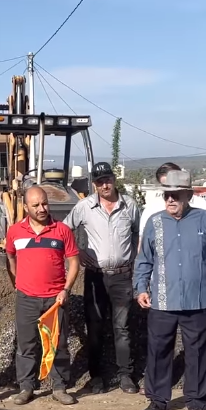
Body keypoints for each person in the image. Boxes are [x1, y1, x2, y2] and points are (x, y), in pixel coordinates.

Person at [134, 167, 206, 410]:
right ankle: (157, 400)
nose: (170, 200)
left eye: (176, 195)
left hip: (196, 300)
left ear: (188, 194)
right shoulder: (155, 223)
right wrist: (140, 288)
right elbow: (144, 259)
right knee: (158, 350)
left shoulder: (204, 220)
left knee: (197, 352)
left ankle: (196, 402)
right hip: (162, 300)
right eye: (167, 195)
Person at [63, 162, 141, 394]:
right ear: (94, 184)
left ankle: (125, 375)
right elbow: (64, 231)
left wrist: (134, 258)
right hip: (95, 277)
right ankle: (96, 377)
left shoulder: (130, 205)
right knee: (94, 327)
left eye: (107, 179)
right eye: (99, 181)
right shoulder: (84, 207)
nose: (104, 185)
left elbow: (137, 232)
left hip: (122, 276)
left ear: (114, 179)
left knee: (122, 327)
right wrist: (77, 250)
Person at [5, 186, 80, 406]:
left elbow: (74, 262)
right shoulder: (15, 232)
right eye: (36, 205)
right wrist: (17, 284)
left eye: (44, 203)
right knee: (26, 345)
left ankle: (59, 386)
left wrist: (65, 289)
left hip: (55, 301)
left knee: (57, 344)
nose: (42, 208)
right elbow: (10, 257)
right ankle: (26, 387)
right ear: (26, 206)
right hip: (26, 298)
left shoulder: (62, 230)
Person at [138, 162, 206, 235]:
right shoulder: (151, 211)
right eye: (166, 186)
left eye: (175, 187)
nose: (170, 198)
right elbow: (143, 242)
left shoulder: (202, 208)